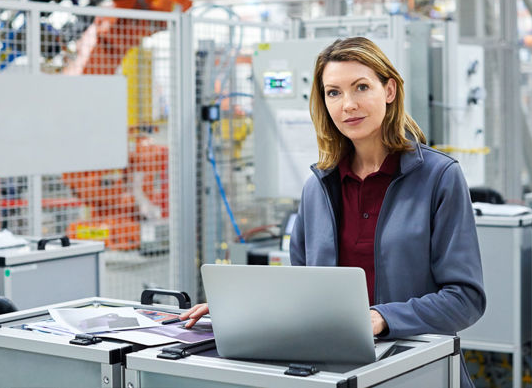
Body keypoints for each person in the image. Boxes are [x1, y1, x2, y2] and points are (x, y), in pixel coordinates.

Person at [181, 36, 485, 386]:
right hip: (335, 371)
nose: (348, 105)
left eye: (361, 87)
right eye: (334, 93)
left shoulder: (439, 177)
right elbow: (302, 293)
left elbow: (465, 299)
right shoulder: (318, 187)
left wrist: (381, 318)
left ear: (389, 90)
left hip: (418, 368)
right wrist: (241, 313)